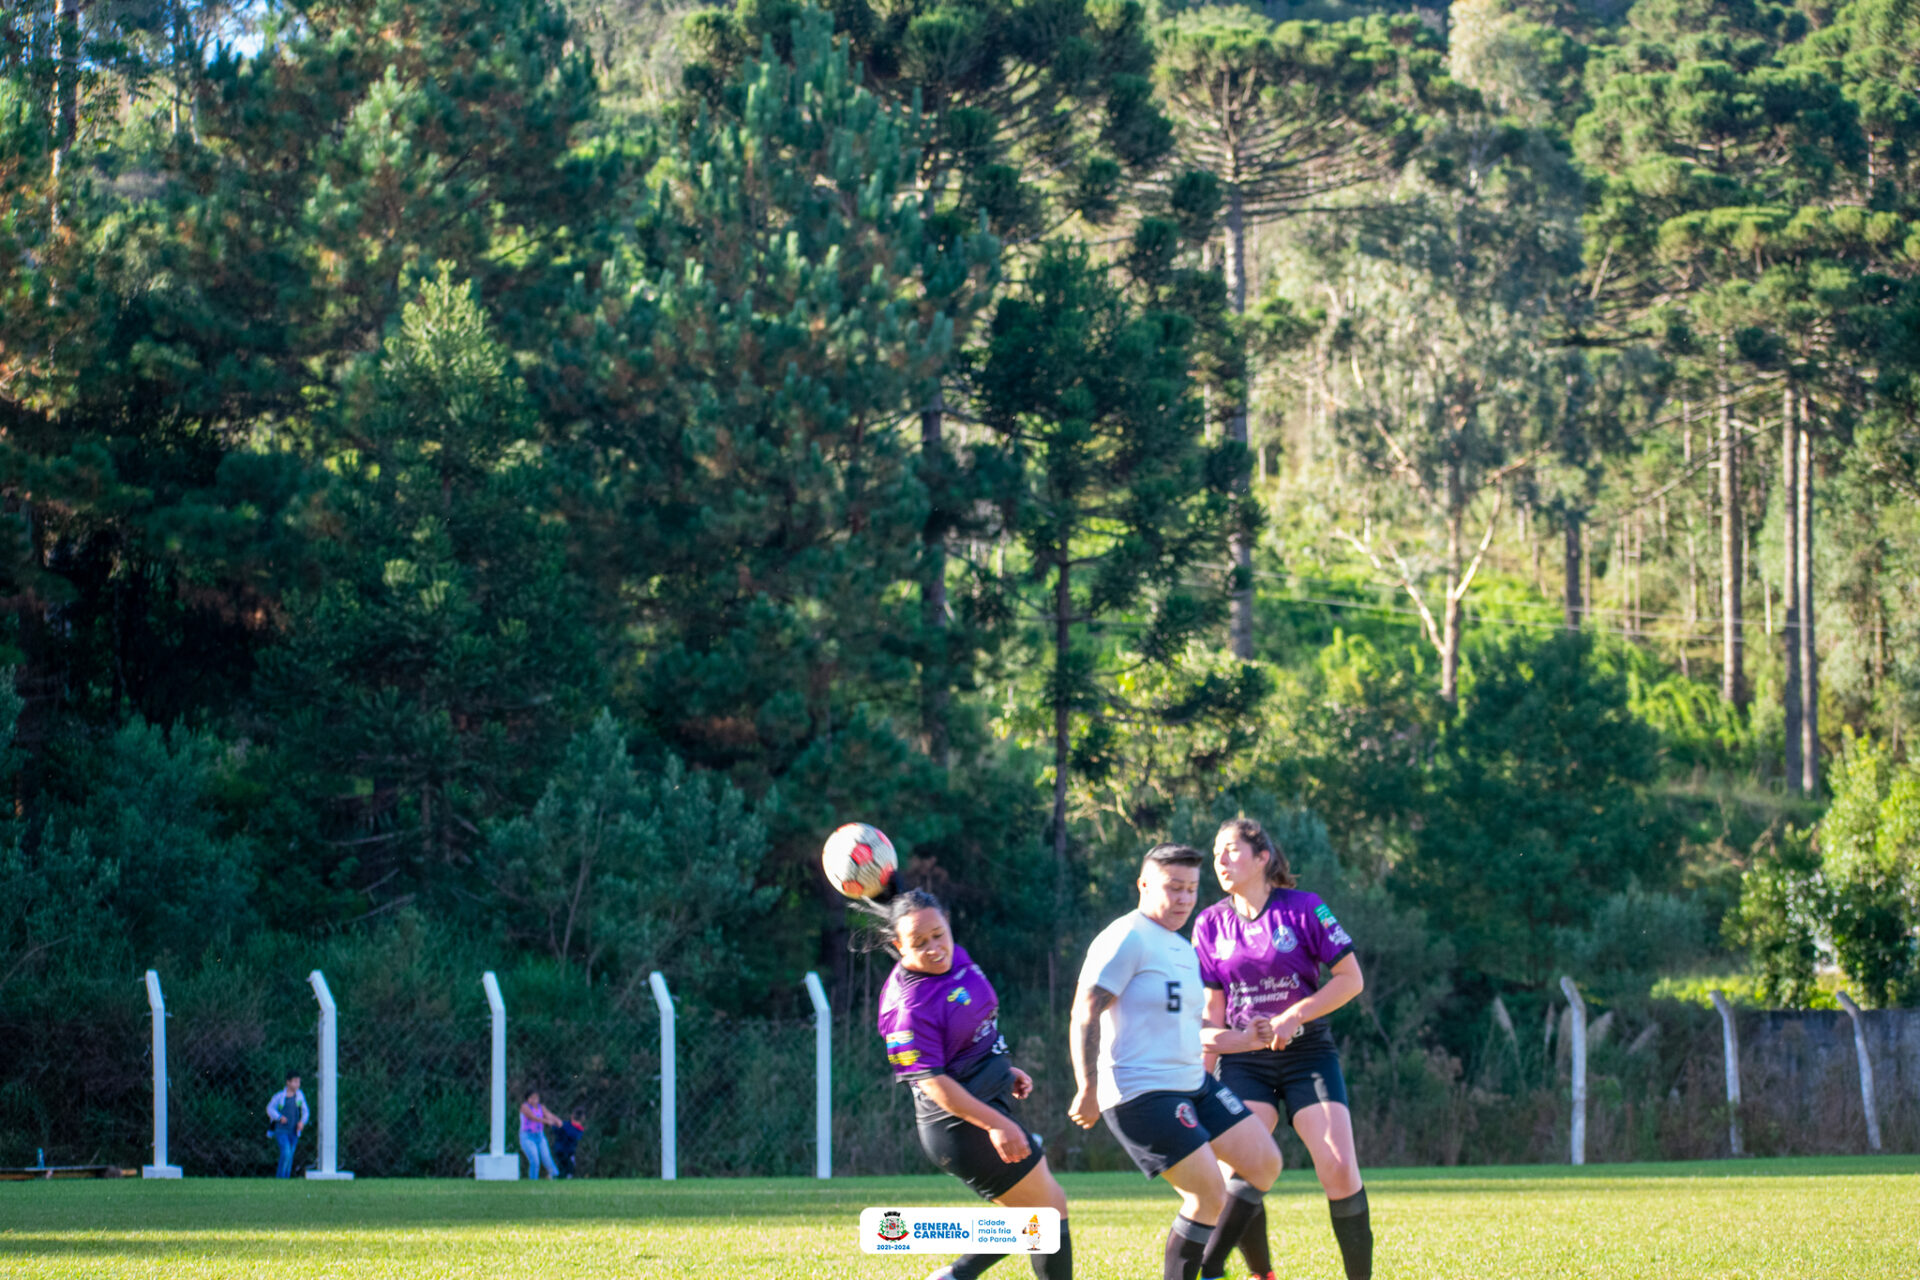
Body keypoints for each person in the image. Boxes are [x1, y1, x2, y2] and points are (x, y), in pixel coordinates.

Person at [1069, 843, 1281, 1280]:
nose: (1184, 899)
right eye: (1173, 888)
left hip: (1193, 1085)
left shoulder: (1183, 949)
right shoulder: (1125, 937)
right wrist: (1087, 1086)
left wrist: (1246, 1039)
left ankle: (1216, 1266)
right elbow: (1084, 1011)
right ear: (1144, 885)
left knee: (1264, 1162)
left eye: (1191, 889)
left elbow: (1194, 1028)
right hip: (1141, 1093)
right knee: (1207, 1193)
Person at [1193, 817, 1371, 1280]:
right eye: (1216, 853)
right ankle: (1248, 1273)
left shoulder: (1305, 909)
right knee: (1245, 1167)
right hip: (1244, 1059)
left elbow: (1351, 980)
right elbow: (1212, 1015)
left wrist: (1295, 1016)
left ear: (1262, 857)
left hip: (1306, 1054)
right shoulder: (1209, 924)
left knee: (1338, 1169)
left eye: (1231, 850)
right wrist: (1198, 1078)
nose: (1221, 860)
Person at [871, 887, 1072, 1280]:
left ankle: (956, 1276)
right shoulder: (907, 1008)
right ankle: (958, 1274)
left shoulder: (956, 958)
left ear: (948, 923)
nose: (934, 949)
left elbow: (968, 1033)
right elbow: (933, 1082)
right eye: (918, 943)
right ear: (898, 945)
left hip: (985, 1104)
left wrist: (1001, 1071)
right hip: (959, 1127)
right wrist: (996, 1123)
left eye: (938, 935)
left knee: (1030, 1216)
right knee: (1048, 1211)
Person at [265, 1074, 309, 1178]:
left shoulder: (300, 1097)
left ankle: (286, 1178)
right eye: (295, 1081)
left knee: (290, 1156)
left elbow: (305, 1111)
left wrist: (302, 1122)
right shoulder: (280, 1096)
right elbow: (270, 1108)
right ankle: (280, 1177)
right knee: (286, 1152)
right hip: (281, 1130)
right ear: (288, 1082)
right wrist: (279, 1117)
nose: (297, 1084)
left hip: (293, 1131)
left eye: (299, 1082)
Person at [519, 1089, 563, 1179]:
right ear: (528, 1099)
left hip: (539, 1135)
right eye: (532, 1098)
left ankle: (554, 1175)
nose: (535, 1100)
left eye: (536, 1098)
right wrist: (547, 1121)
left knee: (546, 1157)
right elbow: (532, 1117)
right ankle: (533, 1179)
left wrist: (557, 1120)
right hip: (527, 1136)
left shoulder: (541, 1107)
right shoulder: (525, 1107)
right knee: (535, 1160)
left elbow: (549, 1115)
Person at [551, 1106, 587, 1178]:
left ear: (572, 1116)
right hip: (563, 1151)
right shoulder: (574, 1128)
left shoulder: (566, 1125)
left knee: (567, 1168)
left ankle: (561, 1178)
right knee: (567, 1169)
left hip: (564, 1151)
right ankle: (561, 1178)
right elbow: (555, 1129)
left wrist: (559, 1126)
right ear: (583, 1118)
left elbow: (556, 1129)